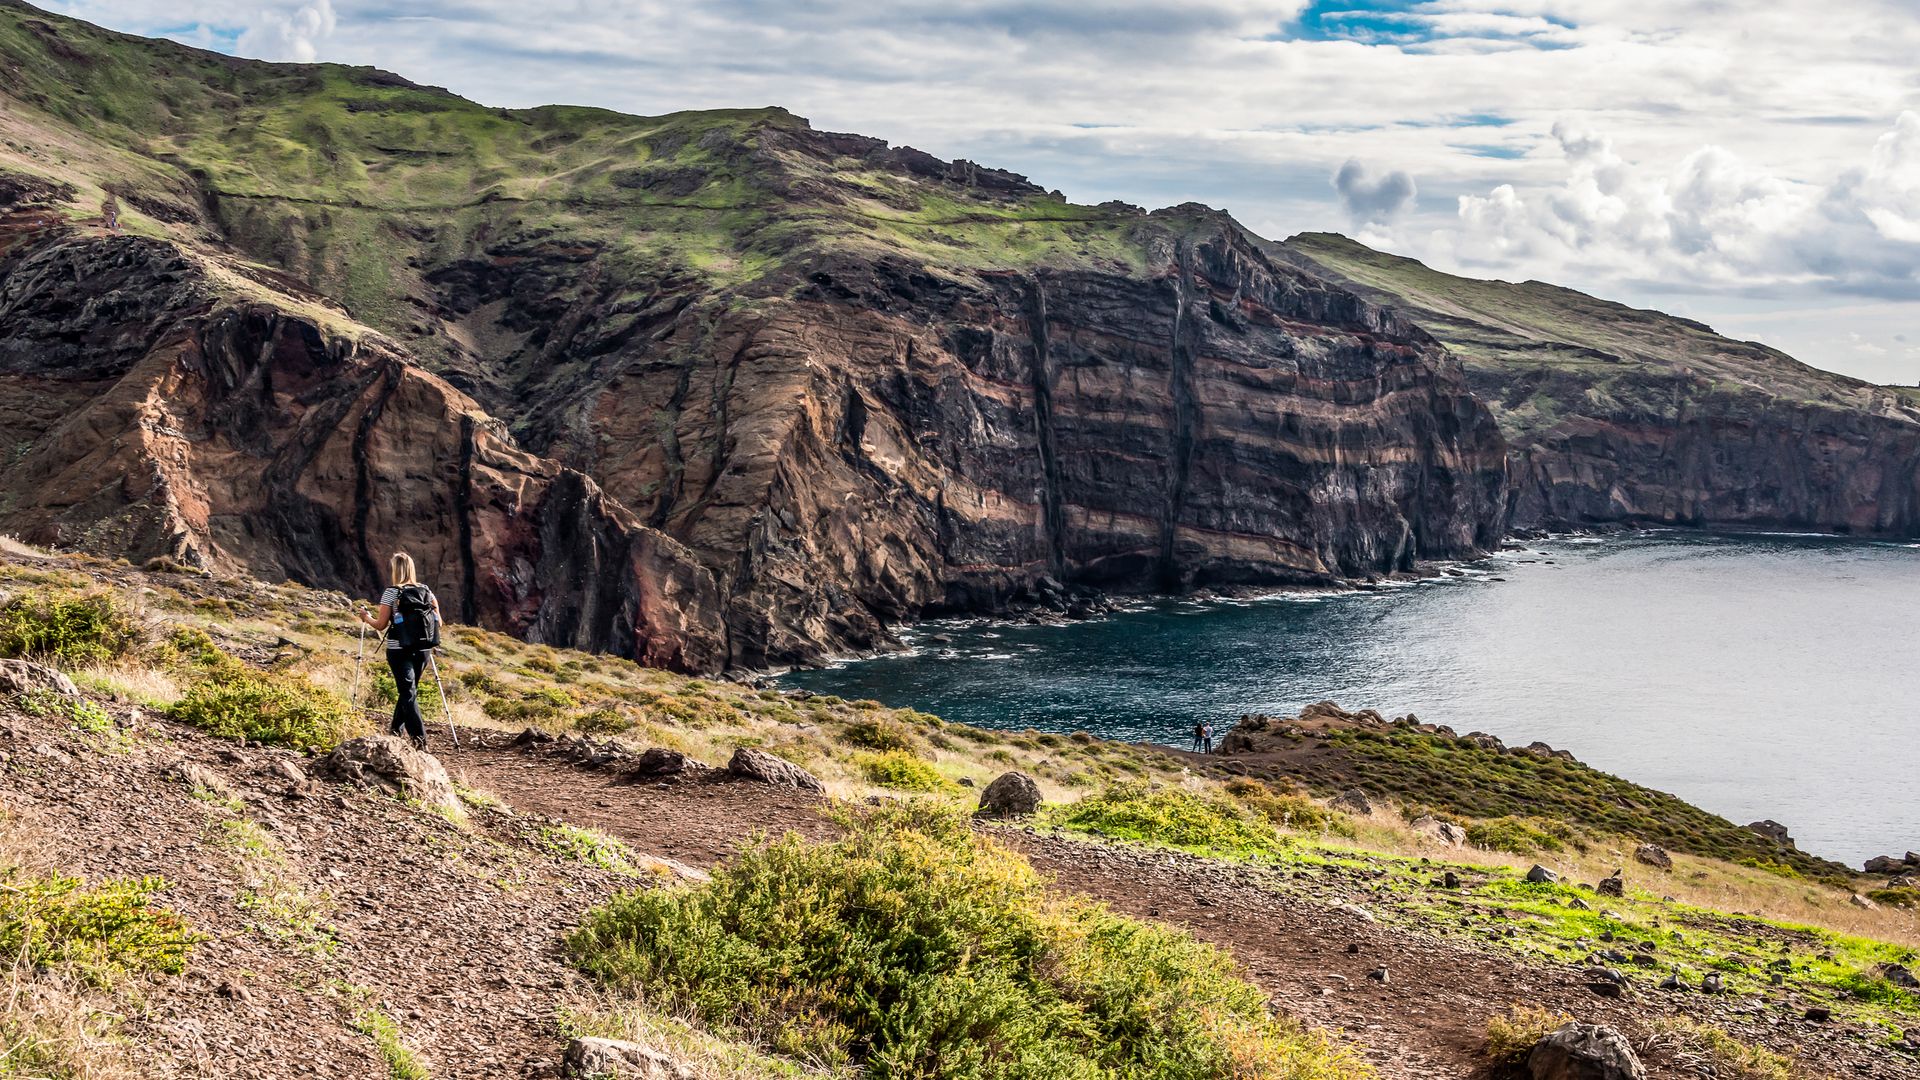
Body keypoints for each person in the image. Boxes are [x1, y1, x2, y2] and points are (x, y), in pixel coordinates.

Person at [356, 552, 442, 749]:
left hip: (399, 649)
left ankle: (420, 741)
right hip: (423, 649)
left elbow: (380, 625)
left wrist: (365, 617)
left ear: (395, 569)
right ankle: (395, 731)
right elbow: (439, 622)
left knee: (407, 692)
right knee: (408, 691)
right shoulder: (427, 591)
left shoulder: (392, 592)